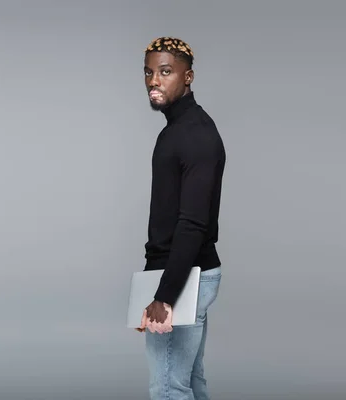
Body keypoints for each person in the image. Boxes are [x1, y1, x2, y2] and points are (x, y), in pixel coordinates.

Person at [135, 36, 226, 400]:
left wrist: (165, 296)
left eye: (166, 72)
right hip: (179, 272)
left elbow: (192, 223)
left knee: (170, 389)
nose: (154, 80)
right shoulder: (176, 132)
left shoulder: (196, 136)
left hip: (184, 276)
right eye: (149, 72)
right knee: (189, 382)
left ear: (188, 77)